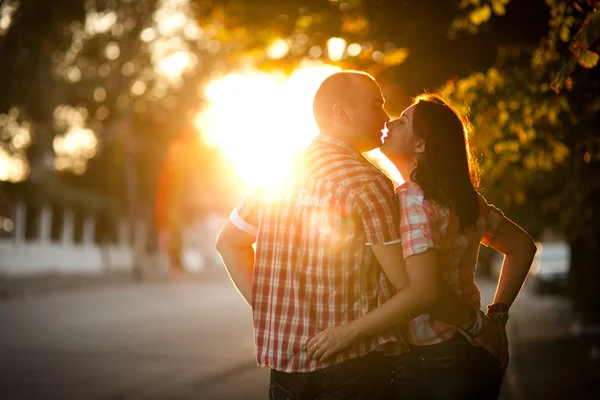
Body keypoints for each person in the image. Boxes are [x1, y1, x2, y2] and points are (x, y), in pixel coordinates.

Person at [215, 72, 485, 400]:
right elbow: (410, 286)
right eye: (376, 106)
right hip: (354, 366)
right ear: (342, 113)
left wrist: (272, 308)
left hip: (287, 367)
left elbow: (229, 242)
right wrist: (476, 324)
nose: (386, 118)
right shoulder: (368, 183)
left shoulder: (283, 174)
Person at [308, 93, 537, 399]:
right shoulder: (466, 200)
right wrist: (497, 316)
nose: (389, 121)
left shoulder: (414, 200)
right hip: (470, 350)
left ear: (420, 145)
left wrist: (345, 334)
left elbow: (424, 293)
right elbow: (522, 247)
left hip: (434, 360)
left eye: (402, 121)